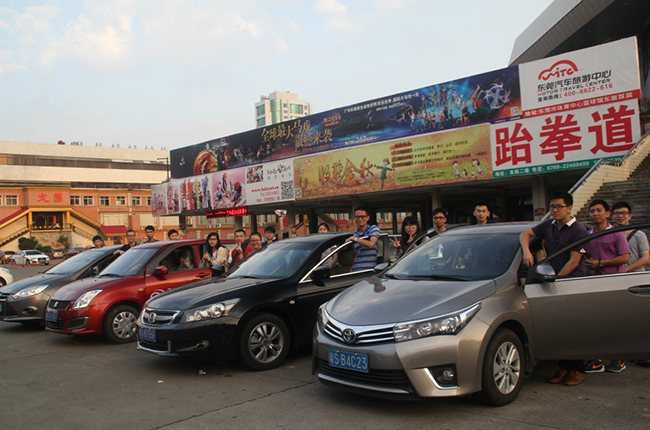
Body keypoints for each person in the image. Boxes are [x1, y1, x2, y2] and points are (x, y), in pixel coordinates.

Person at [519, 190, 589, 386]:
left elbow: (574, 262)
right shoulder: (548, 225)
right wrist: (526, 252)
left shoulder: (579, 230)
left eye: (559, 207)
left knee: (574, 328)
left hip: (572, 282)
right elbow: (526, 234)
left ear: (569, 208)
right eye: (552, 207)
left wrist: (556, 280)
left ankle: (577, 369)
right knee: (560, 327)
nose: (555, 210)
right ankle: (564, 366)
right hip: (553, 281)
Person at [583, 199, 630, 375]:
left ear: (607, 214)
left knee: (616, 322)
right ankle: (597, 360)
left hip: (615, 283)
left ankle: (619, 358)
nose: (595, 214)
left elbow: (625, 258)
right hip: (596, 283)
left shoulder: (617, 234)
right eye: (592, 211)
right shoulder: (589, 234)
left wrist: (600, 263)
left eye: (599, 211)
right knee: (597, 322)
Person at [611, 201, 649, 273]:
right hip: (616, 275)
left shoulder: (639, 235)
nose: (620, 216)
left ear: (630, 216)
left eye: (624, 213)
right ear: (612, 216)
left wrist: (626, 269)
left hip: (636, 274)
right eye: (617, 213)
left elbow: (646, 258)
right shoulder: (610, 235)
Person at [346, 207, 380, 272]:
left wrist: (355, 239)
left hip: (368, 271)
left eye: (363, 216)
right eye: (357, 217)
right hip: (356, 270)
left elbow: (371, 244)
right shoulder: (355, 234)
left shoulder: (373, 229)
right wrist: (351, 269)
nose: (360, 219)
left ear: (368, 218)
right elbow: (357, 254)